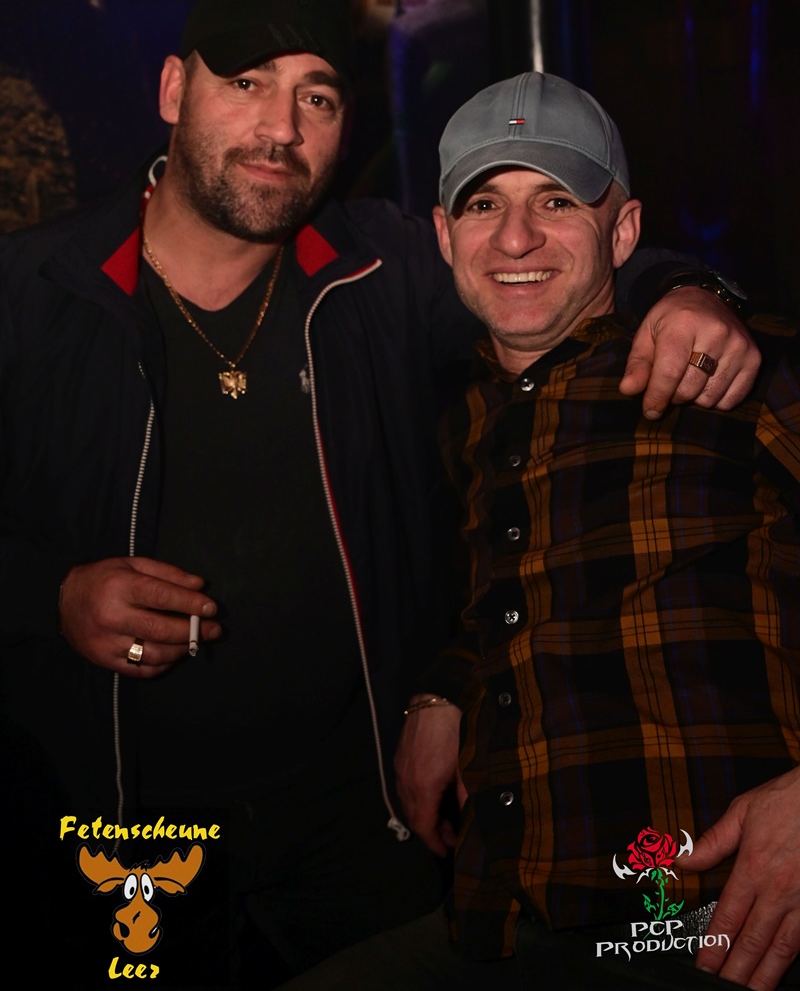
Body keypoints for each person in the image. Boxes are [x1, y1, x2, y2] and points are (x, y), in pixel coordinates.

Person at [0, 0, 759, 985]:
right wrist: (50, 594)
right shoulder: (33, 294)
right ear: (174, 90)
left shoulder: (380, 270)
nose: (282, 127)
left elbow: (559, 265)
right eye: (247, 83)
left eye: (316, 97)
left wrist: (691, 291)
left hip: (358, 829)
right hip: (121, 834)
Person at [279, 72, 800, 991]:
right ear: (444, 236)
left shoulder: (732, 367)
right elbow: (514, 589)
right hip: (501, 923)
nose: (515, 238)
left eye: (556, 200)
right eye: (484, 204)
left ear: (623, 232)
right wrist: (443, 691)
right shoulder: (464, 416)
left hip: (708, 922)